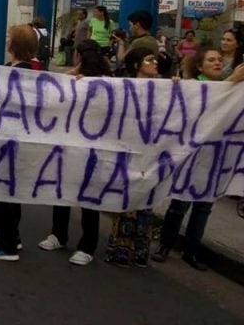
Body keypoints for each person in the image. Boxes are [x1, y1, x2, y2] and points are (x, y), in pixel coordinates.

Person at [152, 47, 244, 270]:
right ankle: (165, 245)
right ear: (199, 66)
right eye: (211, 60)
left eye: (219, 60)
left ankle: (191, 251)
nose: (217, 63)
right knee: (179, 204)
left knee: (204, 207)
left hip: (216, 159)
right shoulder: (193, 87)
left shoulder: (234, 91)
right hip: (191, 156)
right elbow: (204, 110)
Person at [36, 39, 112, 266]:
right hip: (70, 146)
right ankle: (63, 237)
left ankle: (83, 245)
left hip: (92, 149)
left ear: (79, 56)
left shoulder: (106, 85)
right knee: (65, 192)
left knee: (84, 197)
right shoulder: (75, 81)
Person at [0, 24, 38, 262]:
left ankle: (8, 246)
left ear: (14, 44)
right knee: (11, 192)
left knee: (5, 192)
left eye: (8, 37)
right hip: (14, 139)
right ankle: (11, 235)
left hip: (11, 141)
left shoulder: (20, 72)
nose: (6, 41)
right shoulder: (20, 69)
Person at [103, 47, 160, 268]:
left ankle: (139, 251)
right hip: (128, 153)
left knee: (146, 203)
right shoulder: (124, 89)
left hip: (151, 156)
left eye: (155, 59)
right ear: (137, 66)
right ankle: (119, 249)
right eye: (149, 60)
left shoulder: (165, 89)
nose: (154, 63)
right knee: (127, 202)